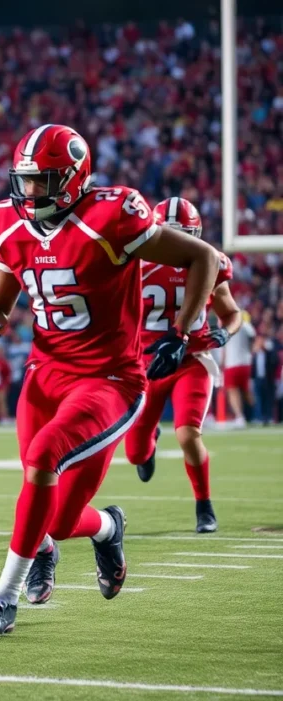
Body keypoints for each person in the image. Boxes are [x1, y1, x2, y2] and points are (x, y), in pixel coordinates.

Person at [0, 124, 221, 636]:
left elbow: (204, 257)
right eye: (26, 180)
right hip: (44, 373)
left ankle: (3, 597)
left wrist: (185, 327)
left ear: (74, 178)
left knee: (43, 460)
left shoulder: (112, 216)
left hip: (109, 378)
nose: (31, 191)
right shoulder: (4, 223)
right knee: (54, 517)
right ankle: (107, 528)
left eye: (43, 181)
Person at [122, 197, 243, 534]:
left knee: (189, 434)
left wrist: (224, 334)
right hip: (147, 362)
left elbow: (231, 314)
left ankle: (204, 505)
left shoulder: (209, 263)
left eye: (185, 236)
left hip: (193, 358)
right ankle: (148, 441)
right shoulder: (137, 263)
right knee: (134, 453)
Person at [222, 314, 257, 427]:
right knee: (246, 391)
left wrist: (221, 364)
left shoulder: (228, 327)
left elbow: (224, 348)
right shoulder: (247, 326)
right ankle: (258, 414)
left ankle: (239, 416)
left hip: (232, 363)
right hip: (246, 362)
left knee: (233, 391)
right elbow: (253, 341)